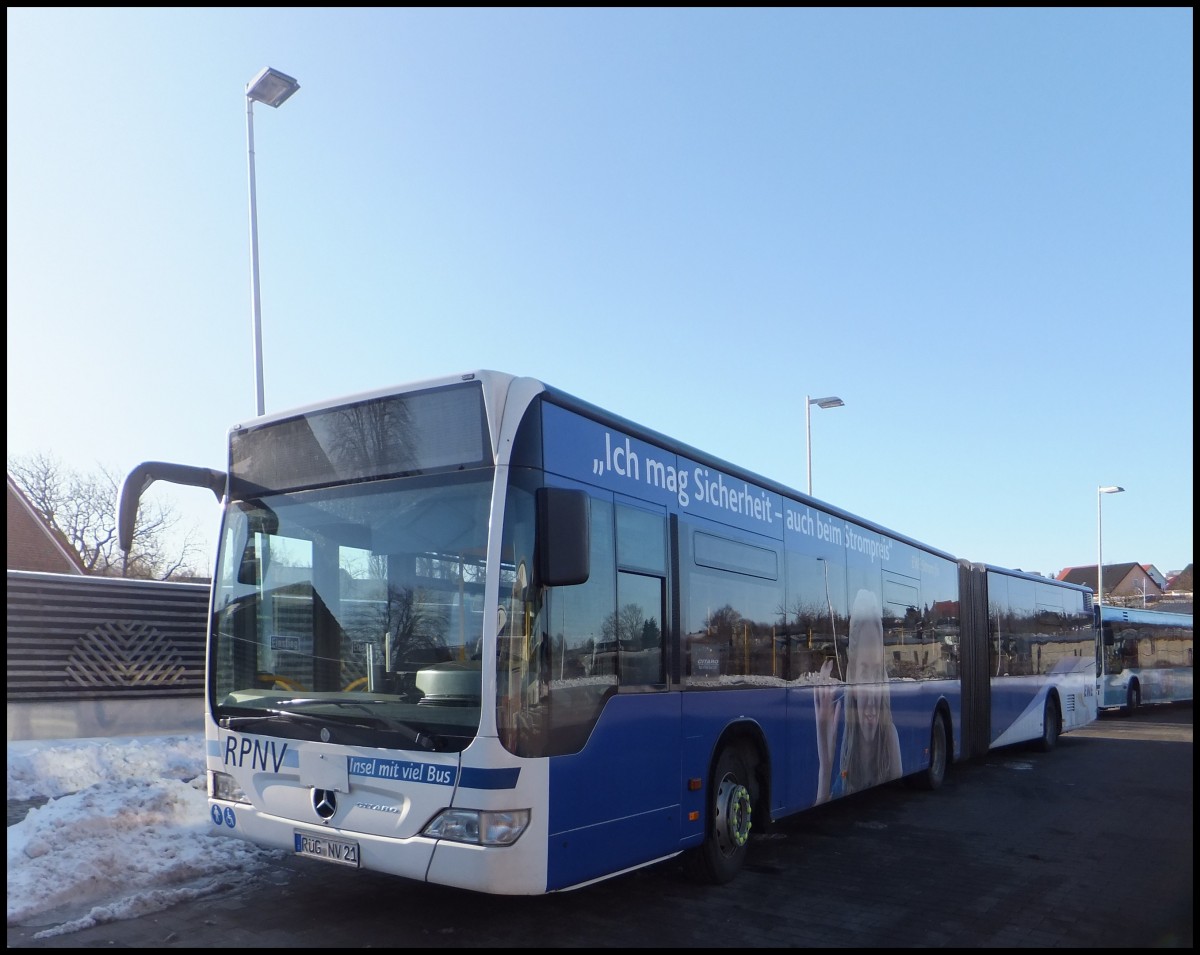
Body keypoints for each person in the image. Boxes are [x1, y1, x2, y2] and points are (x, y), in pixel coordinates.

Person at [814, 588, 902, 804]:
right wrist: (825, 770)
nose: (872, 696)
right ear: (851, 675)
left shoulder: (890, 736)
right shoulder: (844, 756)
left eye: (877, 671)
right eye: (864, 672)